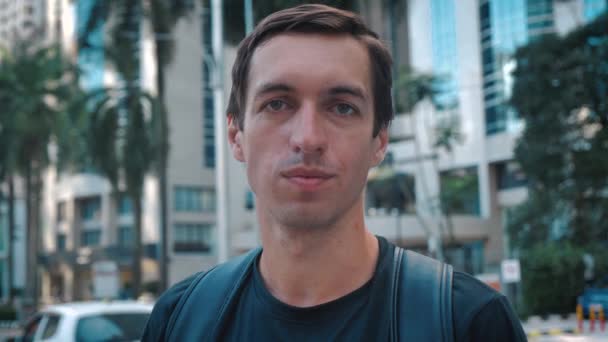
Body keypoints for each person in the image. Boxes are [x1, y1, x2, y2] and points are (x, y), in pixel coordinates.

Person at [142, 4, 526, 341]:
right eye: (277, 104)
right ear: (235, 135)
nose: (307, 138)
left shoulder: (469, 322)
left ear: (379, 140)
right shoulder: (181, 319)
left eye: (342, 107)